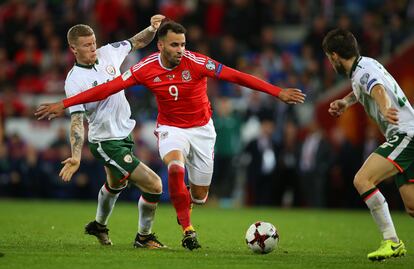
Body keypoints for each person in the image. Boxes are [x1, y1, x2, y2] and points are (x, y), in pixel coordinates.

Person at [35, 20, 305, 250]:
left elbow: (237, 76)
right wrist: (64, 104)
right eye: (175, 45)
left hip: (201, 129)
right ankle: (184, 230)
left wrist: (277, 91)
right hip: (169, 128)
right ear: (162, 46)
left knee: (197, 196)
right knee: (169, 173)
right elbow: (106, 89)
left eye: (183, 44)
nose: (181, 50)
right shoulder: (144, 68)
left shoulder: (196, 62)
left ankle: (105, 223)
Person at [43, 15, 167, 249]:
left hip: (124, 135)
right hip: (105, 142)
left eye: (93, 42)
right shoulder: (74, 80)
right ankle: (144, 237)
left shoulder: (108, 52)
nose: (93, 48)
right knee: (155, 185)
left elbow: (136, 42)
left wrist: (152, 28)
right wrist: (76, 155)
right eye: (87, 45)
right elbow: (77, 121)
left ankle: (98, 226)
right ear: (73, 49)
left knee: (116, 185)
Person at [322, 28, 414, 260]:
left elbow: (378, 89)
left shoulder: (363, 72)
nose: (329, 62)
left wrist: (384, 107)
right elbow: (363, 87)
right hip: (407, 134)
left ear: (334, 56)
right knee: (412, 206)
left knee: (363, 179)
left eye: (328, 57)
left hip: (405, 135)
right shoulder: (365, 65)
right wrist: (345, 101)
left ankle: (391, 242)